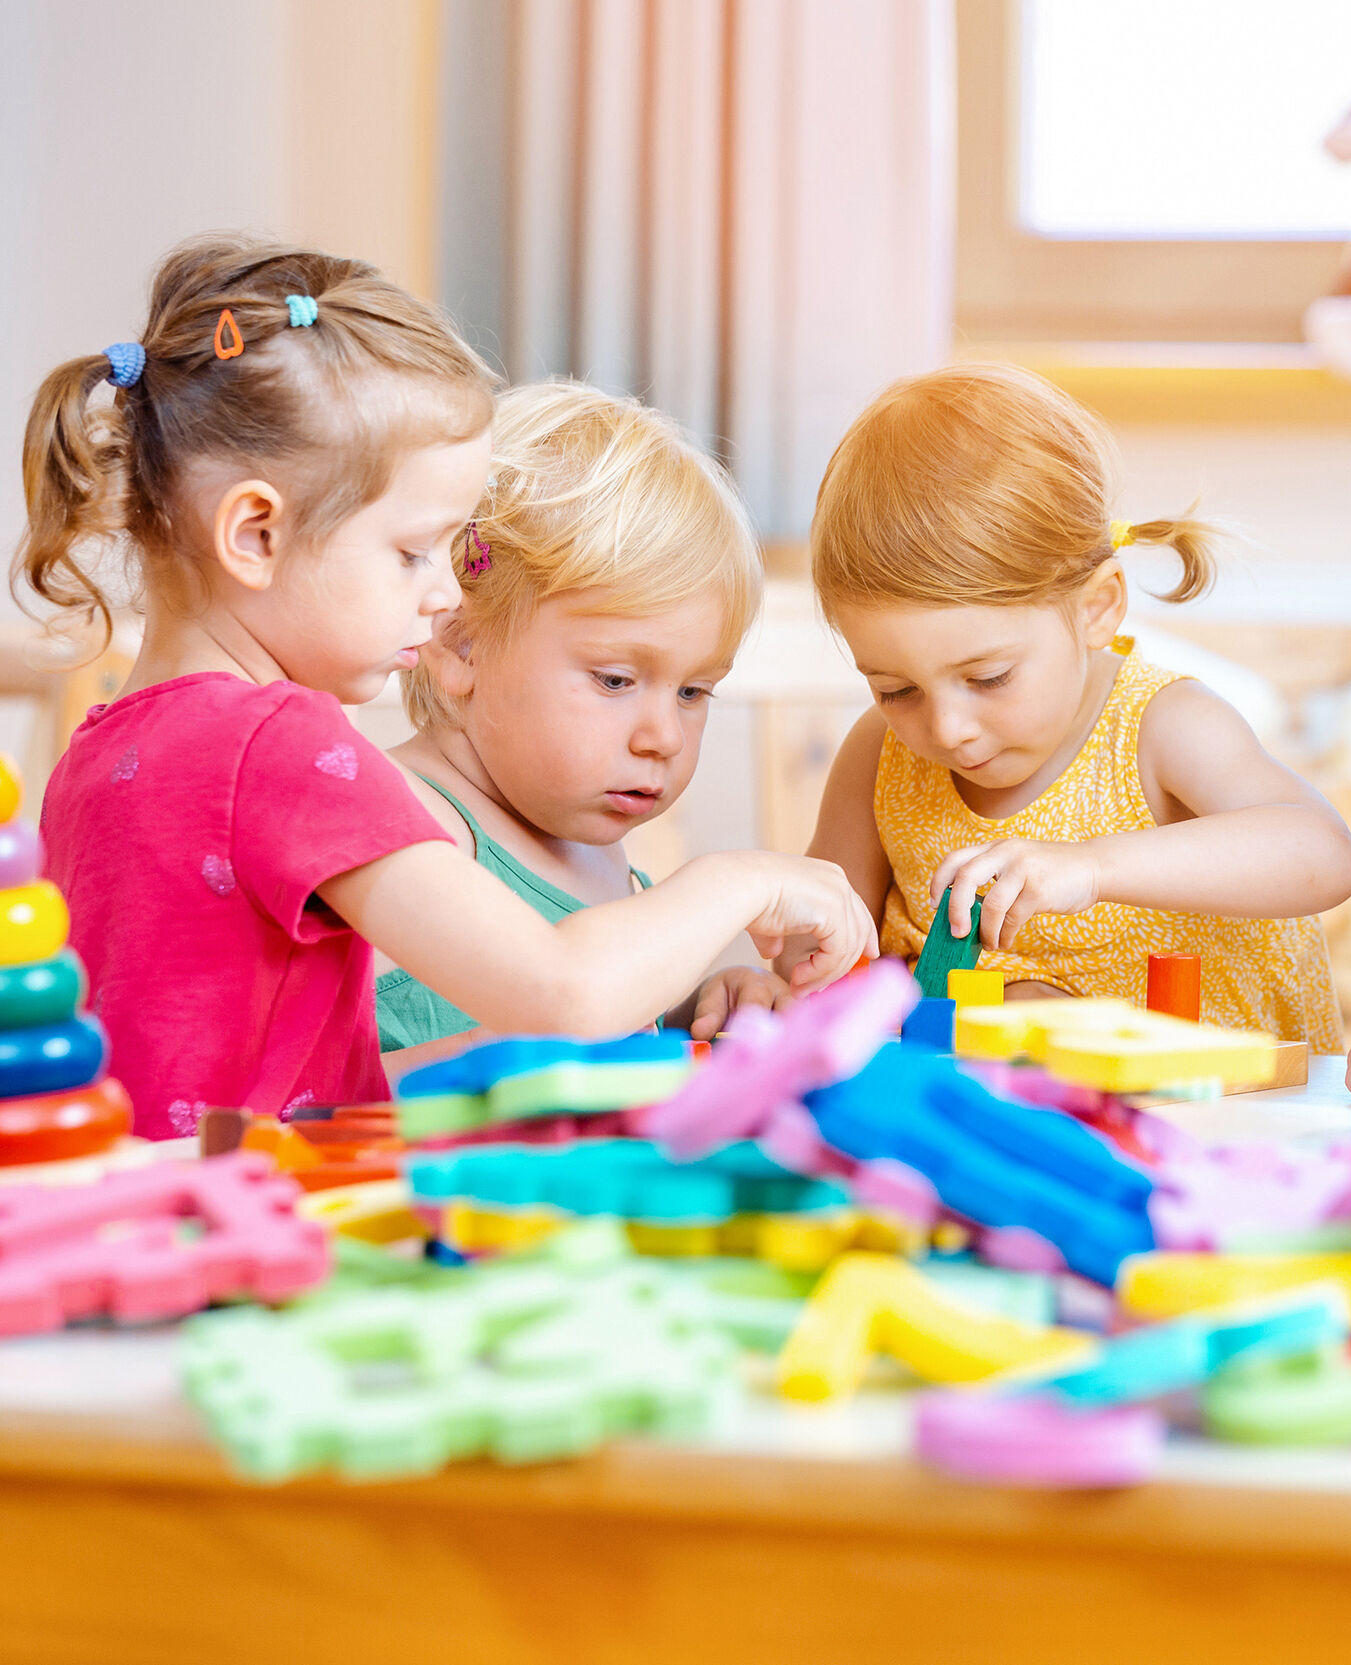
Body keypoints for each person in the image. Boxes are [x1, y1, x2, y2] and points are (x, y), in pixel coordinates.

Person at [20, 235, 873, 1133]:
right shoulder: (280, 742)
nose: (443, 591)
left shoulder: (98, 746)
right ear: (256, 536)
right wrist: (739, 880)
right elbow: (561, 990)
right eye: (412, 551)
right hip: (270, 1229)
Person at [795, 361, 1351, 1047]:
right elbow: (819, 944)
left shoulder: (1161, 727)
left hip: (1214, 1113)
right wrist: (782, 979)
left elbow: (1324, 853)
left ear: (1097, 608)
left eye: (989, 677)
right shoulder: (878, 755)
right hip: (987, 1112)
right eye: (896, 688)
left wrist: (1093, 866)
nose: (945, 727)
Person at [378, 379, 790, 1071]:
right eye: (616, 681)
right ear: (459, 645)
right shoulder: (403, 815)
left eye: (693, 690)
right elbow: (315, 1095)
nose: (662, 735)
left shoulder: (606, 861)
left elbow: (617, 1030)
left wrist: (702, 1007)